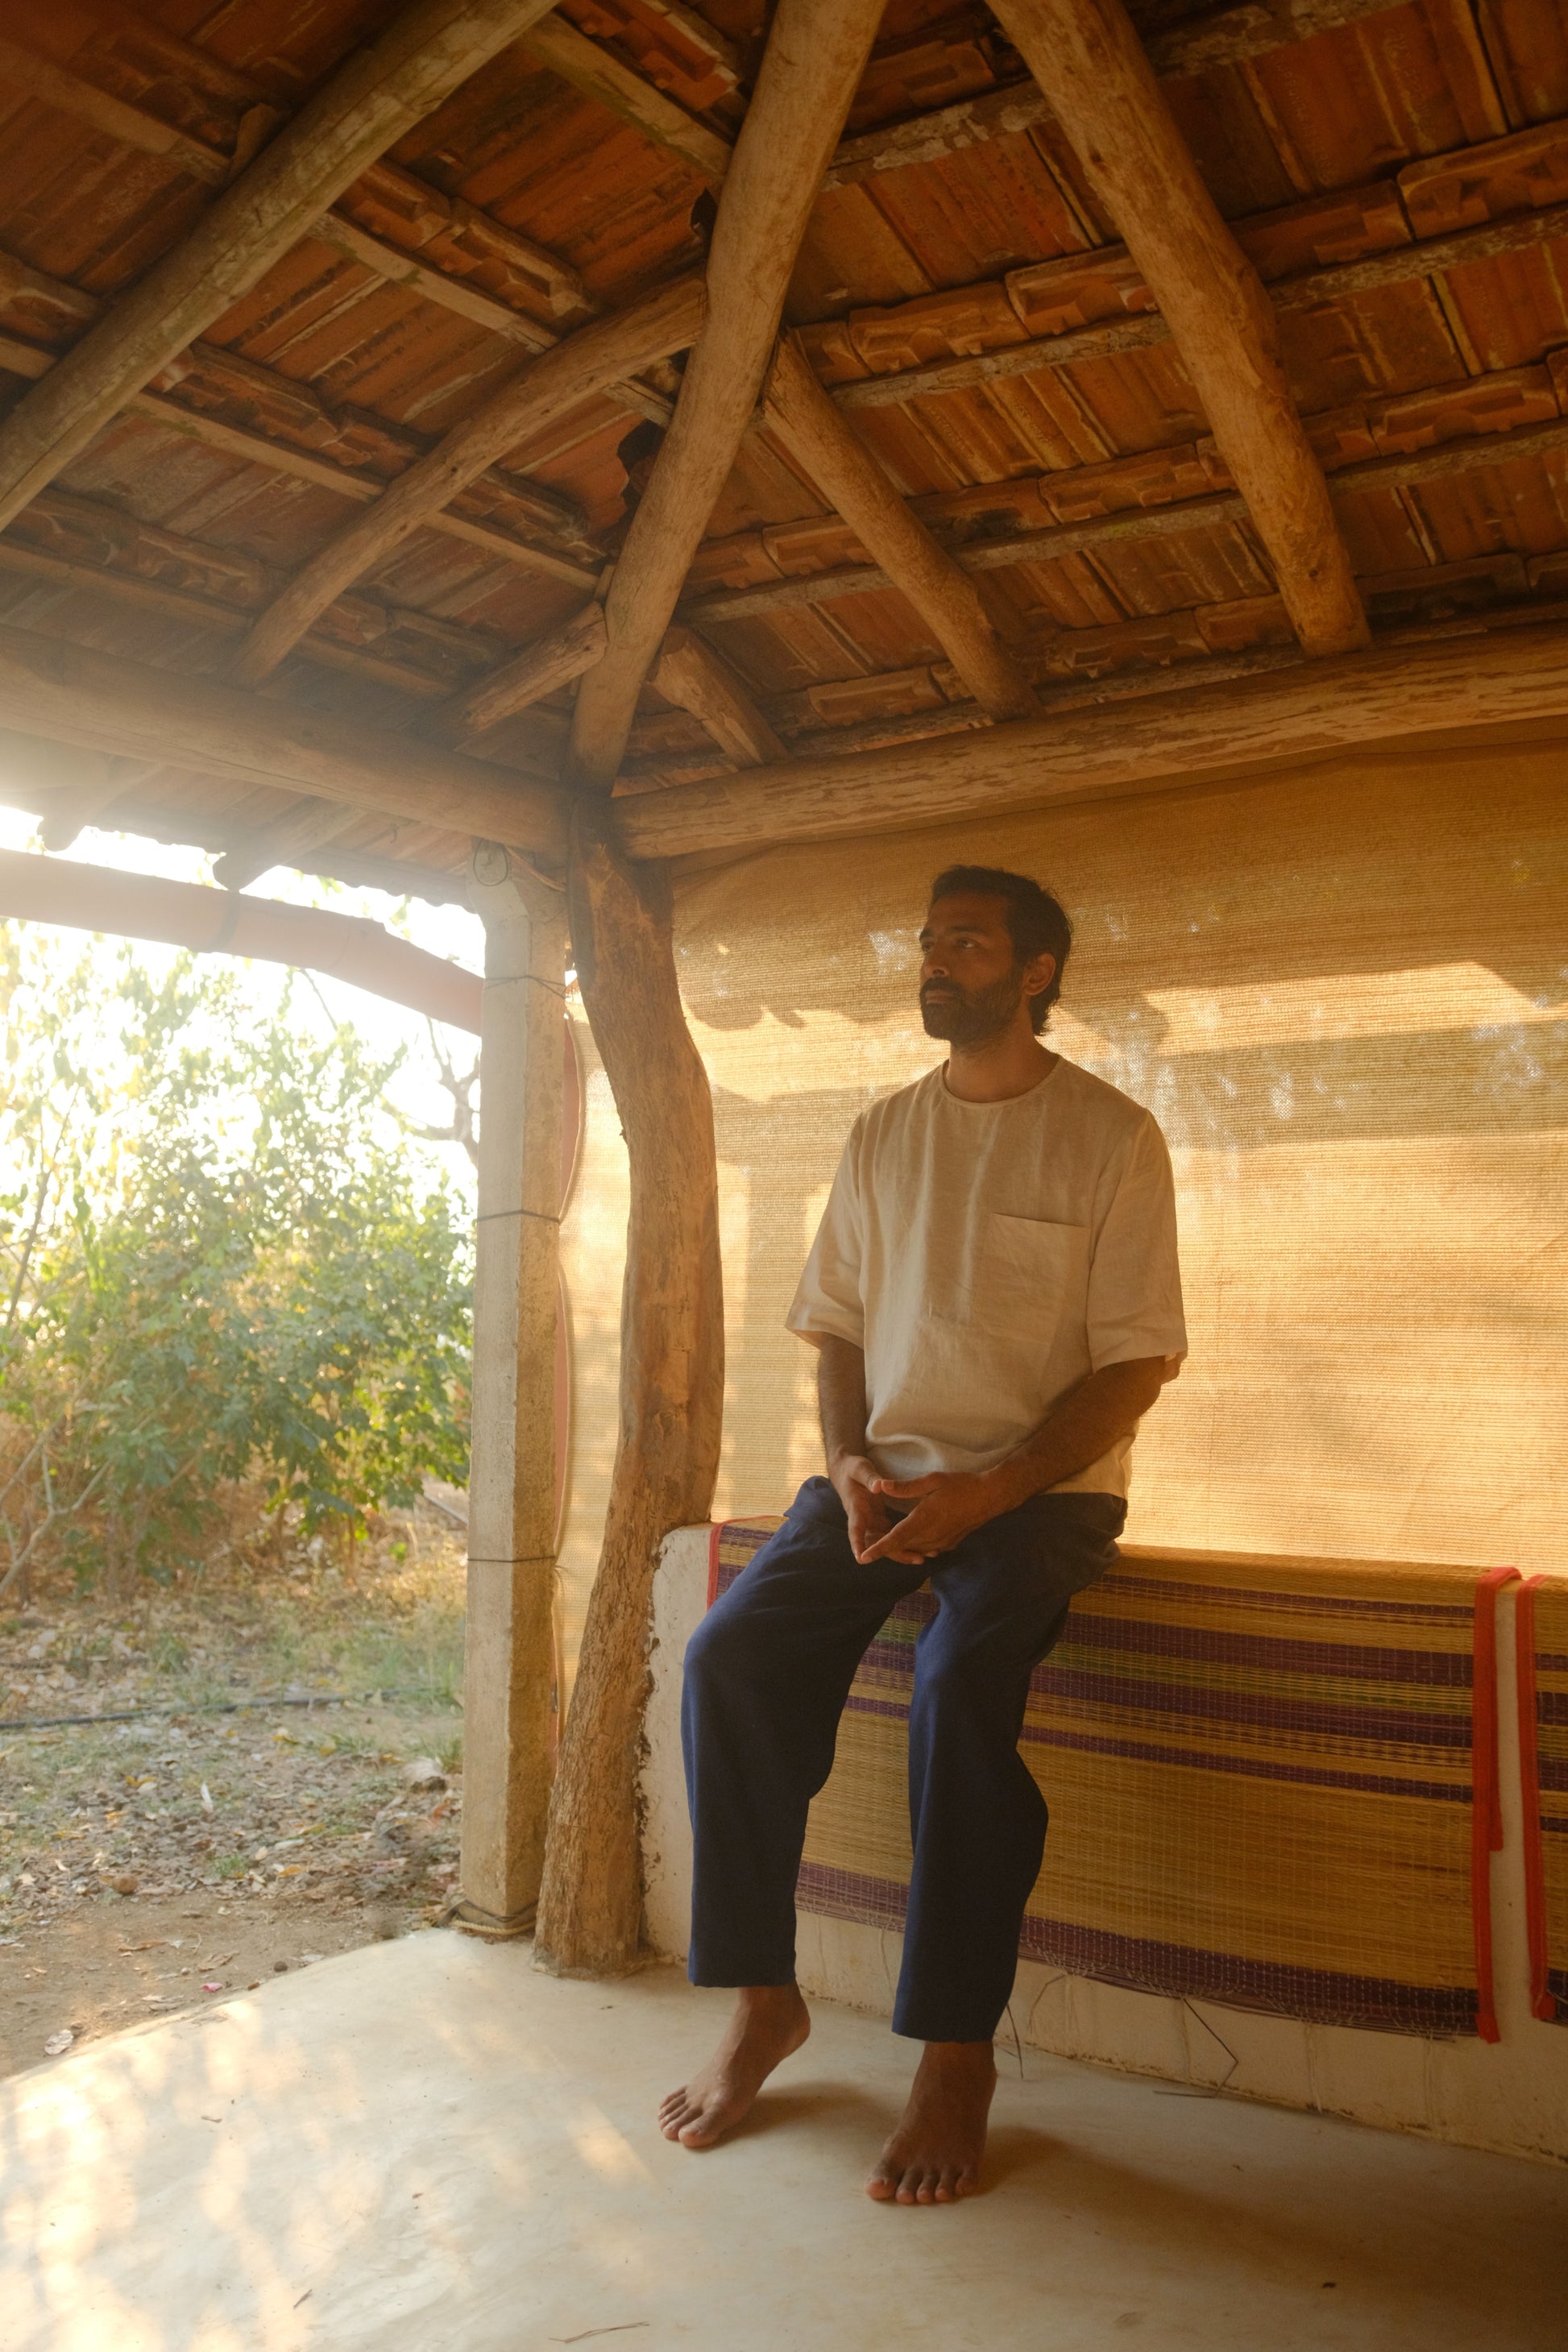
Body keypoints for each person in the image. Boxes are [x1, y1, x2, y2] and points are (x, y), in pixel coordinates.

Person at [660, 865, 1187, 2204]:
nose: (933, 960)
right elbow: (833, 1323)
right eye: (926, 940)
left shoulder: (1112, 1138)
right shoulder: (882, 1135)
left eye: (965, 941)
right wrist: (844, 1460)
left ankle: (955, 2049)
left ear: (1035, 974)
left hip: (1041, 1501)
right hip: (879, 1485)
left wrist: (994, 1490)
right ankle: (762, 2003)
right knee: (730, 1659)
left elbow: (1135, 1367)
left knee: (956, 1689)